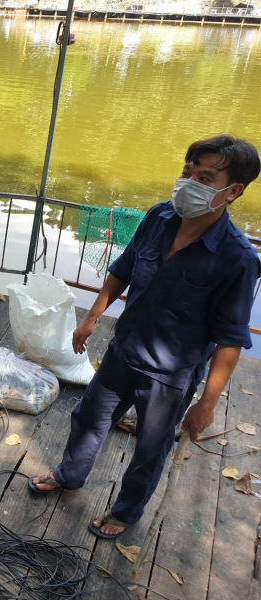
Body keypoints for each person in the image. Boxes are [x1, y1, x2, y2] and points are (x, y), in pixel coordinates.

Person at [29, 135, 261, 539]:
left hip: (170, 377)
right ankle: (69, 474)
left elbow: (230, 339)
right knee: (88, 419)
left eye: (205, 177)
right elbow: (123, 267)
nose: (189, 182)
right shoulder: (159, 216)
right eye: (187, 171)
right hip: (123, 352)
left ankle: (126, 510)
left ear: (233, 191)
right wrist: (91, 319)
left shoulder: (238, 259)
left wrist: (206, 403)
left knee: (150, 450)